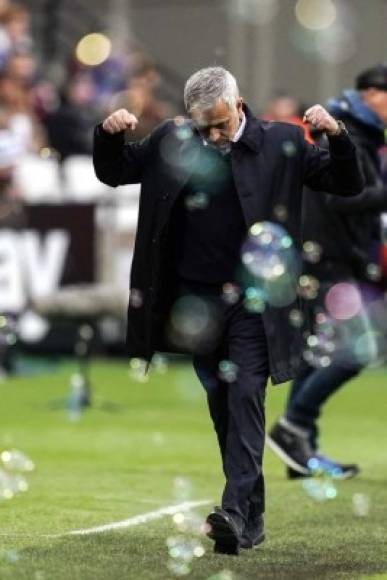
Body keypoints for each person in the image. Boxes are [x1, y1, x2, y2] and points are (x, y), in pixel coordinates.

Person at [93, 66, 363, 555]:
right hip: (196, 307)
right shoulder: (171, 140)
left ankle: (234, 511)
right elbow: (115, 172)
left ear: (238, 106)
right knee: (224, 408)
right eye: (202, 127)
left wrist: (337, 136)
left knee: (244, 398)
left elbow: (348, 183)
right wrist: (108, 136)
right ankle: (250, 518)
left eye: (219, 124)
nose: (212, 136)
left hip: (256, 305)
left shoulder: (283, 141)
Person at [268, 64, 387, 480]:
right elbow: (340, 196)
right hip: (329, 258)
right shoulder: (341, 130)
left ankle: (301, 447)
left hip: (340, 257)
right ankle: (293, 426)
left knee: (324, 350)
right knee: (360, 349)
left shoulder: (361, 131)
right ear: (371, 93)